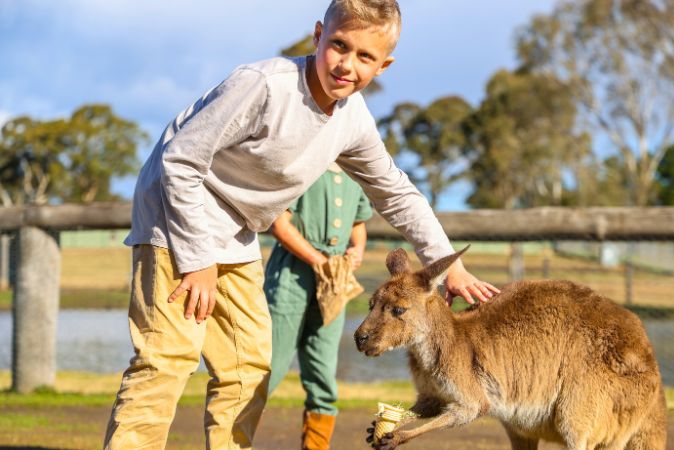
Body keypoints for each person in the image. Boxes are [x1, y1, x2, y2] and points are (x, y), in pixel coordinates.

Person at [104, 1, 500, 449]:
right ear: (318, 36)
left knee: (247, 367)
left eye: (365, 57)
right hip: (176, 218)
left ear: (384, 65)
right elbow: (179, 161)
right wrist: (197, 261)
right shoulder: (264, 86)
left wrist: (449, 265)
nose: (348, 64)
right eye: (339, 46)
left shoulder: (351, 118)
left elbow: (395, 191)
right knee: (167, 357)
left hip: (236, 231)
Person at [265, 164, 370, 450]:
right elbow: (279, 225)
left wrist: (357, 251)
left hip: (335, 281)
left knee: (323, 375)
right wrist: (318, 261)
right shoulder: (303, 162)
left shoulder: (354, 172)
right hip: (291, 276)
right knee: (268, 368)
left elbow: (358, 225)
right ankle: (231, 441)